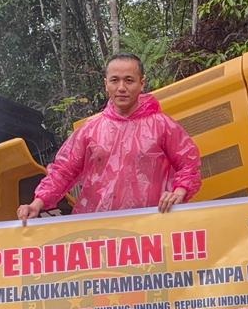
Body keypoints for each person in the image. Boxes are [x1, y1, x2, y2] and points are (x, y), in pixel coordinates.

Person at [17, 53, 202, 222]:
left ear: (142, 83)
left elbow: (189, 163)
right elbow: (63, 171)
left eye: (129, 80)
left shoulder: (162, 126)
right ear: (106, 84)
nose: (121, 87)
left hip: (152, 227)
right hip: (102, 231)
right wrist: (37, 203)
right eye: (115, 80)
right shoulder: (90, 129)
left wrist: (179, 191)